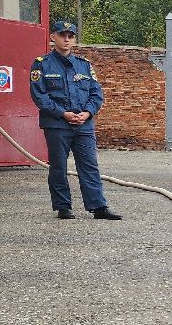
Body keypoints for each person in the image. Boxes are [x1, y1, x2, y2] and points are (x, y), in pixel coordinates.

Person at [28, 20, 122, 220]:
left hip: (83, 124)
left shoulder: (84, 65)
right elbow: (39, 96)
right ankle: (63, 207)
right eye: (62, 35)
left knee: (89, 165)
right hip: (57, 124)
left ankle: (98, 207)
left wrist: (87, 113)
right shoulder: (41, 64)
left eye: (70, 36)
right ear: (53, 37)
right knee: (58, 166)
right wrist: (63, 113)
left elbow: (96, 94)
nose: (66, 39)